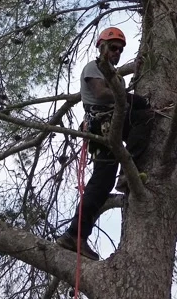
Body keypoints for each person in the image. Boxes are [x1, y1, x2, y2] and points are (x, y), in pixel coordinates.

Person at [57, 28, 153, 260]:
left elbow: (117, 94)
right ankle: (74, 235)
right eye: (112, 47)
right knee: (101, 183)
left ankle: (126, 175)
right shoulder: (95, 67)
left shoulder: (114, 75)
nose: (116, 53)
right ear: (101, 47)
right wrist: (130, 98)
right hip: (101, 123)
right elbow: (101, 94)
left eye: (120, 50)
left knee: (144, 117)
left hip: (112, 122)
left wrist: (135, 80)